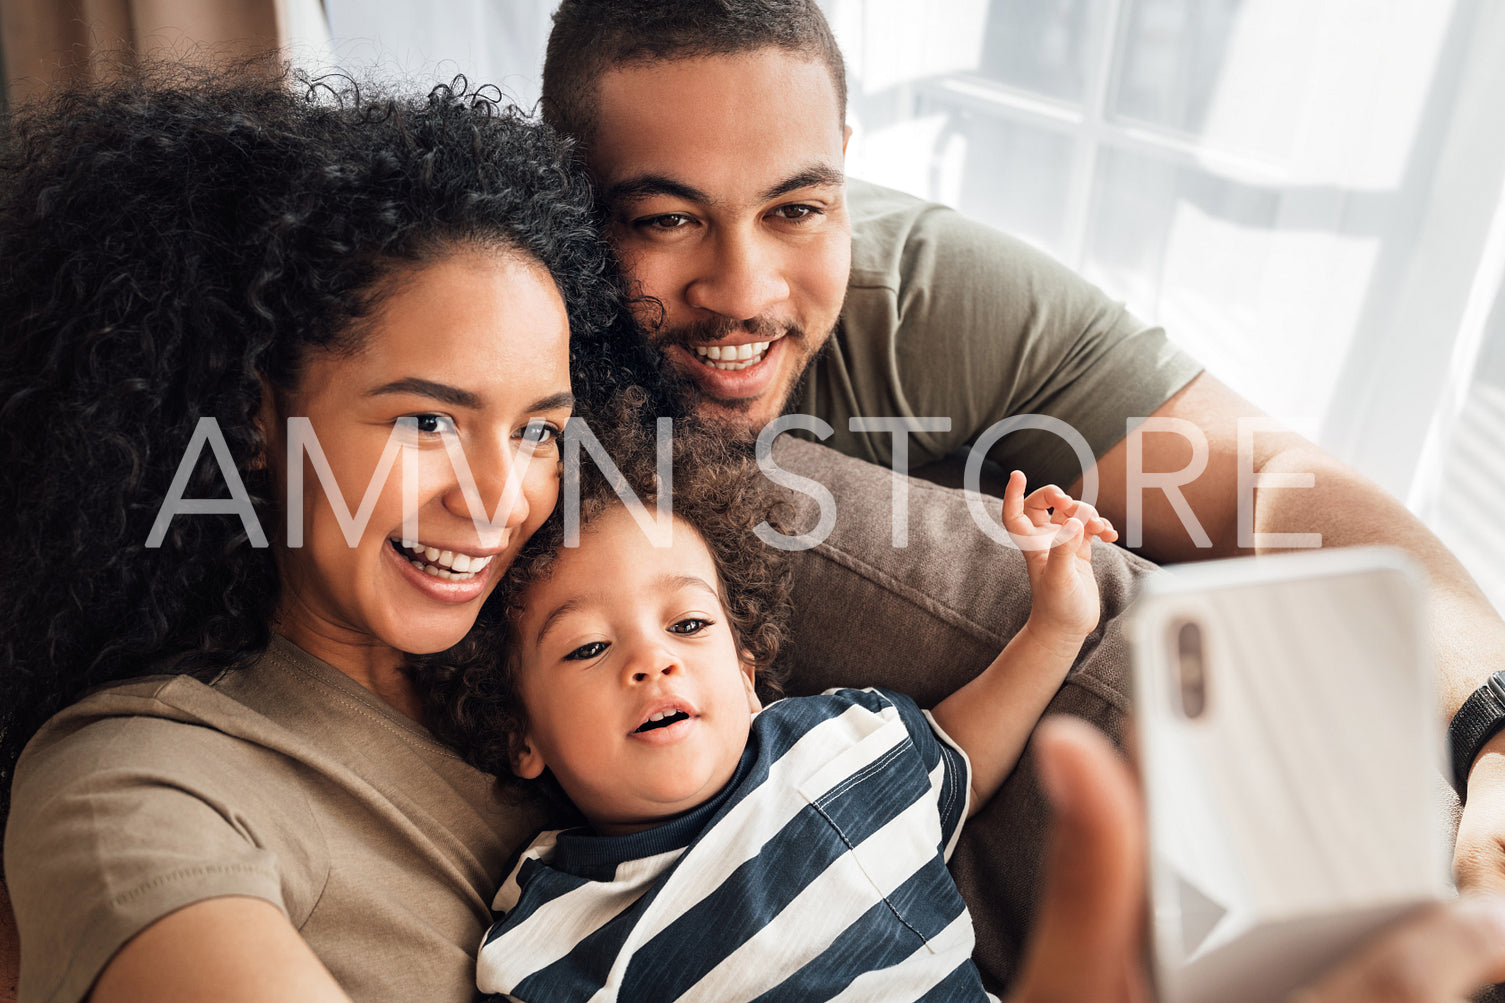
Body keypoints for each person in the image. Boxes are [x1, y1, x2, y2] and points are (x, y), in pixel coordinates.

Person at [535, 0, 1505, 976]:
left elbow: (1274, 483)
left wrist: (1494, 729)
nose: (743, 289)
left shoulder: (920, 294)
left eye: (797, 207)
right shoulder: (501, 368)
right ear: (566, 196)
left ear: (843, 165)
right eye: (665, 219)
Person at [0, 62, 675, 1002]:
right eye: (427, 421)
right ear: (257, 420)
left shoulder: (578, 658)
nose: (496, 500)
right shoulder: (137, 784)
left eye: (536, 433)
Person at [443, 411, 1112, 999]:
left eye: (688, 625)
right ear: (519, 732)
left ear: (743, 670)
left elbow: (954, 755)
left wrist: (1056, 625)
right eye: (587, 647)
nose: (652, 660)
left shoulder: (835, 742)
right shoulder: (549, 939)